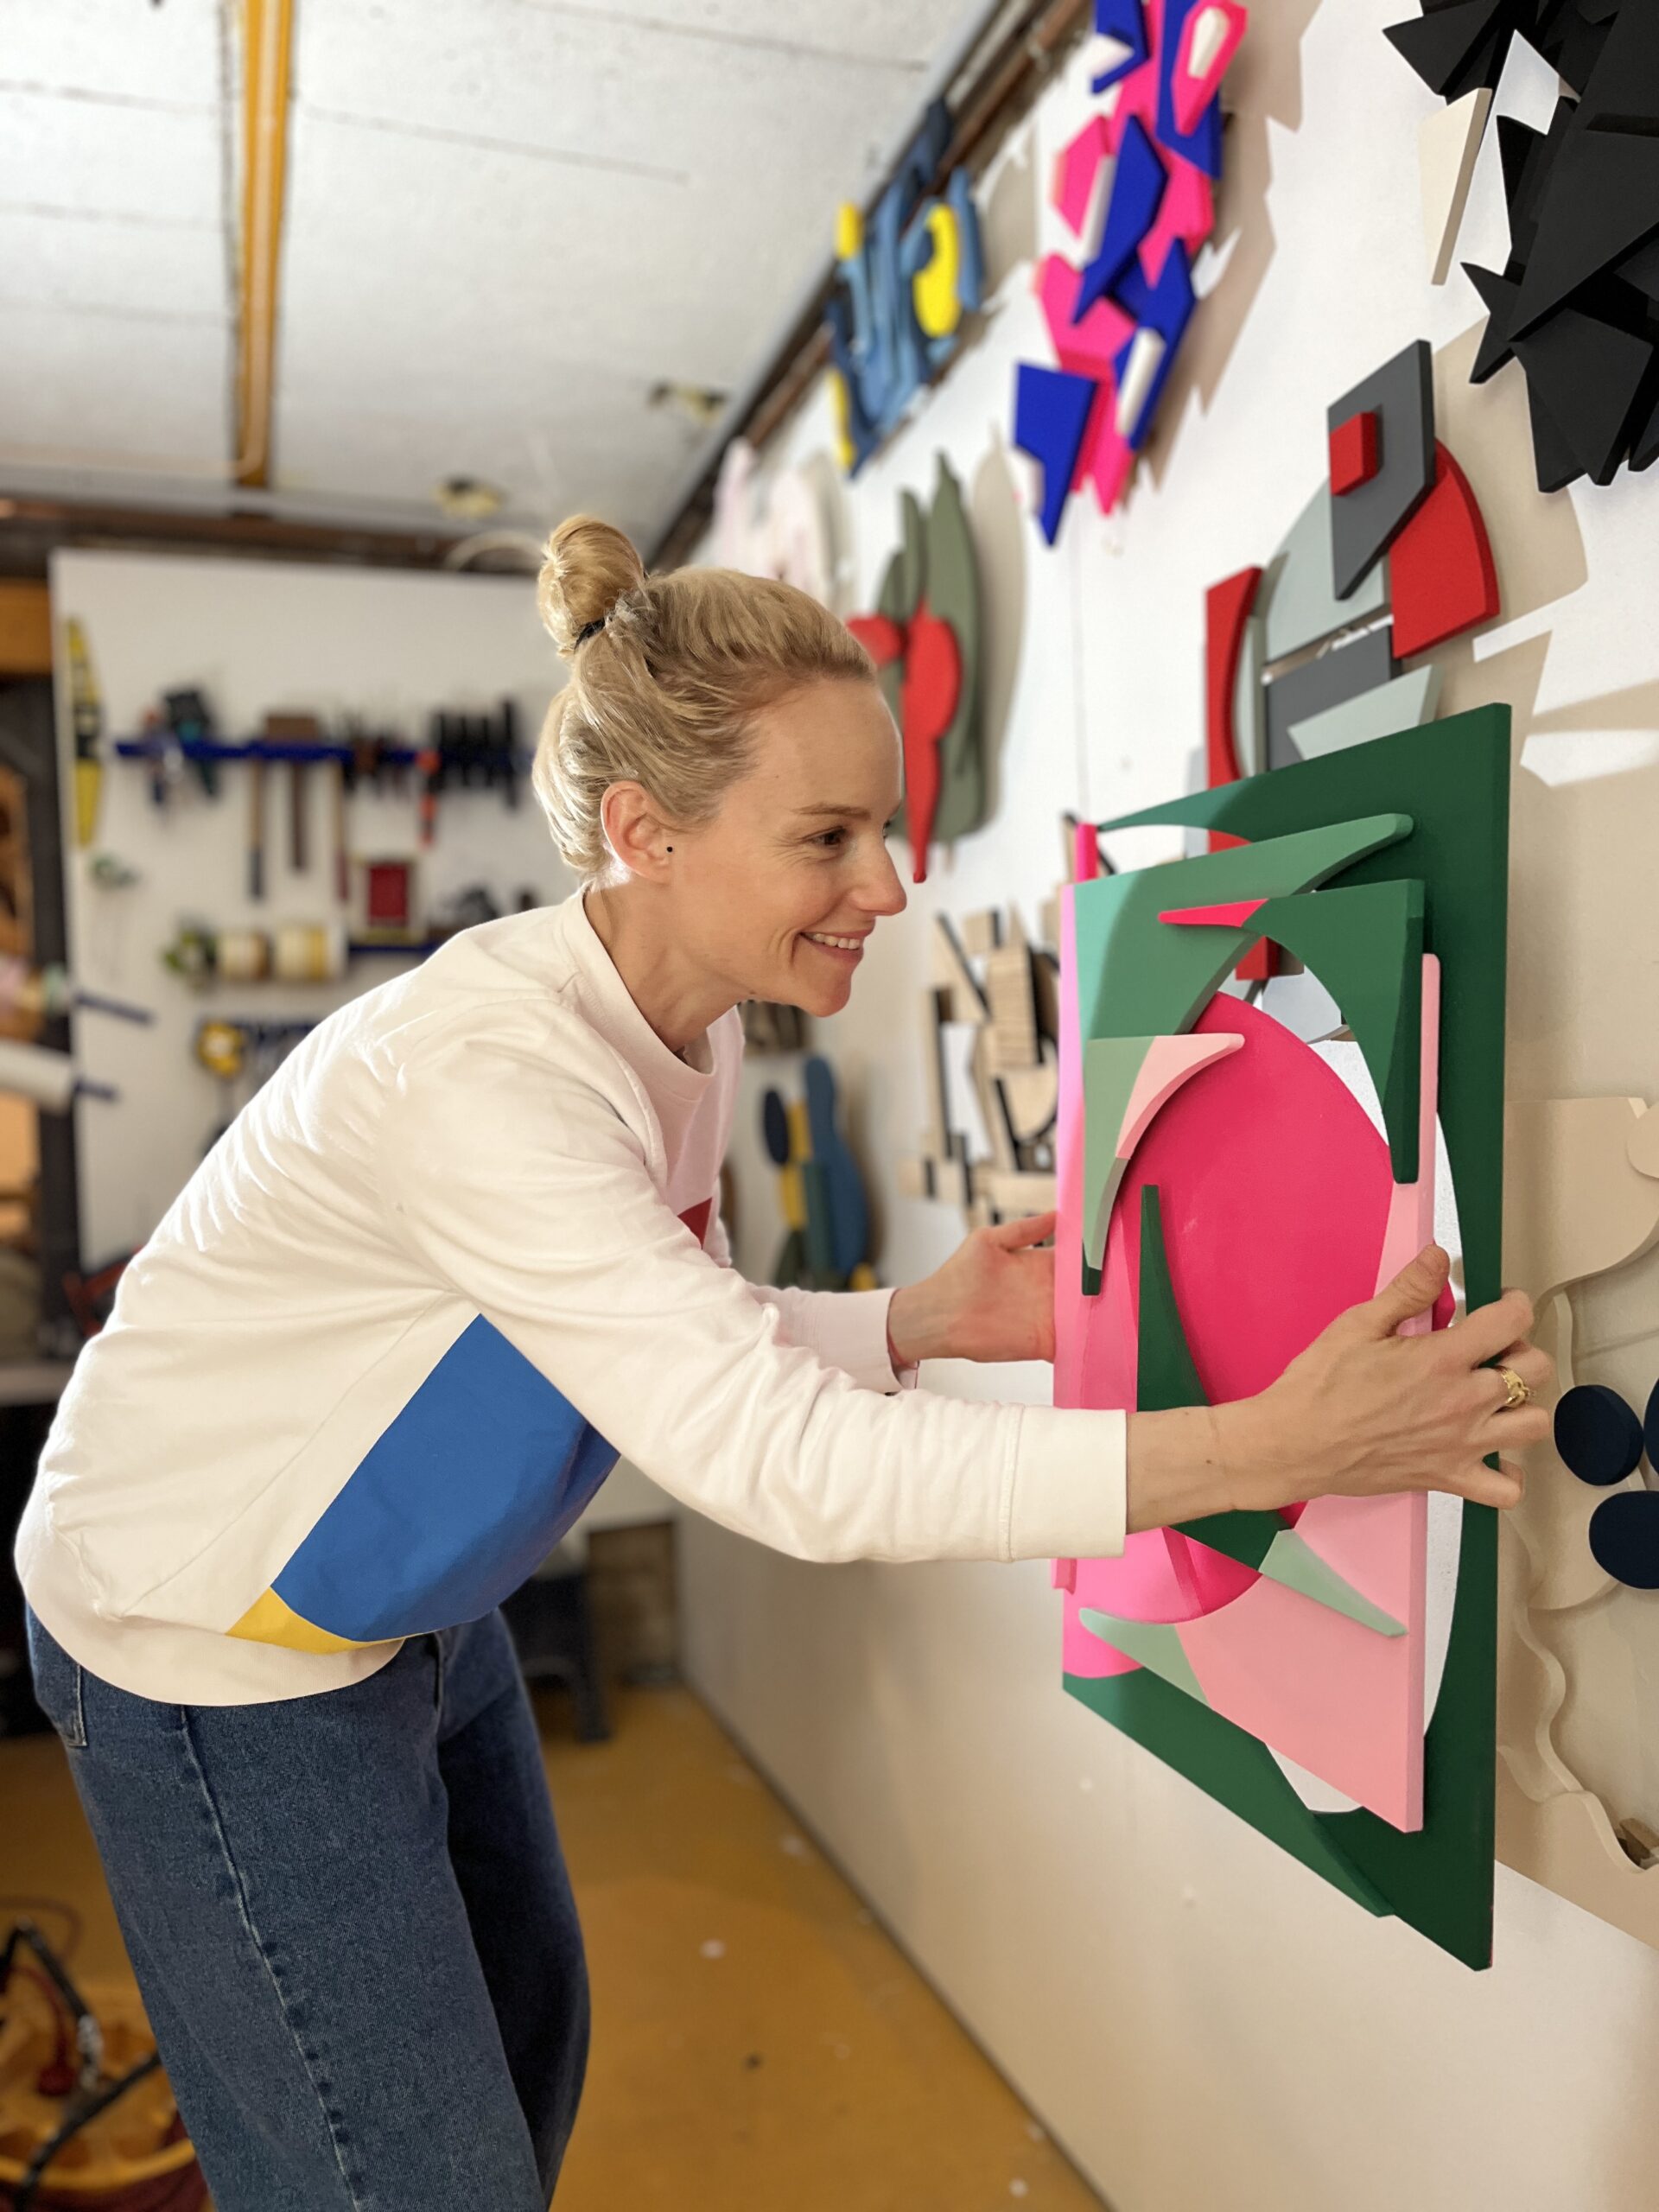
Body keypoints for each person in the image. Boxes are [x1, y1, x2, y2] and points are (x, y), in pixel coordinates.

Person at [16, 518, 1550, 2211]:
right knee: (411, 2179)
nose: (890, 884)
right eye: (830, 836)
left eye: (883, 824)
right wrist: (1254, 1445)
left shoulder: (693, 1016)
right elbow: (776, 1457)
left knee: (529, 2044)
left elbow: (668, 1329)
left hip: (389, 1588)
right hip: (202, 1630)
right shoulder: (490, 1081)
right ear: (644, 834)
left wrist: (915, 1319)